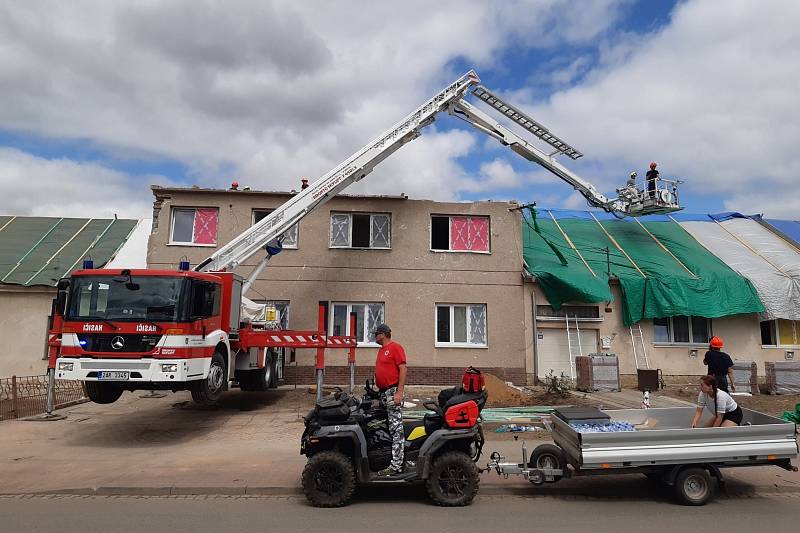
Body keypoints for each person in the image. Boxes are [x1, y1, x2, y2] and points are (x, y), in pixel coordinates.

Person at [373, 323, 407, 476]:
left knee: (396, 430)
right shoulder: (381, 351)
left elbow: (403, 368)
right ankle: (386, 457)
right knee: (385, 426)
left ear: (383, 334)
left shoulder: (395, 347)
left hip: (393, 392)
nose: (374, 337)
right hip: (383, 393)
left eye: (376, 334)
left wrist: (399, 392)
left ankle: (397, 465)